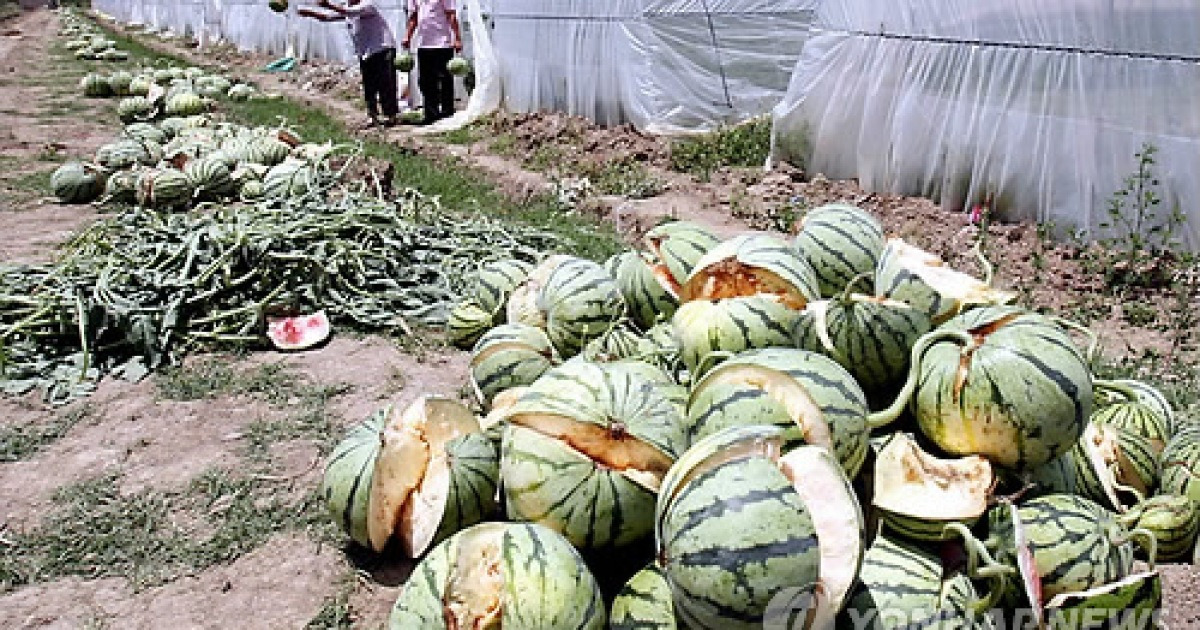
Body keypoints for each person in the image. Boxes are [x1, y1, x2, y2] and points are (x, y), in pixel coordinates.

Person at [298, 0, 400, 127]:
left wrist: (328, 5)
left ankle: (391, 115)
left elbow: (349, 12)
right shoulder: (348, 9)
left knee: (385, 84)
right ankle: (372, 115)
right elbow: (328, 17)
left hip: (381, 48)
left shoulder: (367, 5)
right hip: (366, 52)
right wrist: (309, 13)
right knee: (369, 86)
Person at [402, 0, 463, 125]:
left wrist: (457, 38)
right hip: (423, 44)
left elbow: (451, 14)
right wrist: (408, 36)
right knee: (426, 81)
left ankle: (447, 113)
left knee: (445, 79)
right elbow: (414, 16)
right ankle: (431, 114)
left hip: (442, 43)